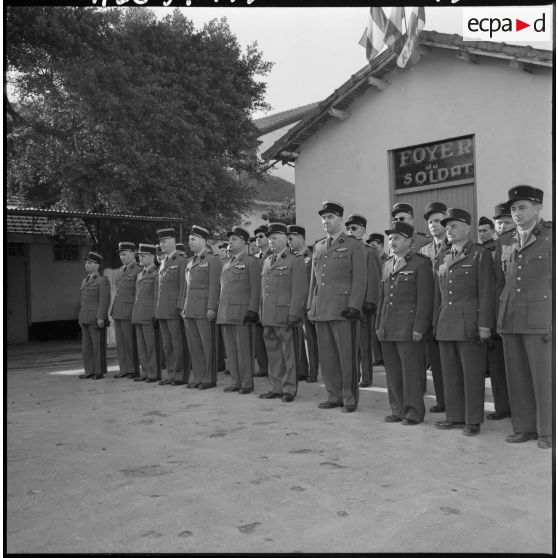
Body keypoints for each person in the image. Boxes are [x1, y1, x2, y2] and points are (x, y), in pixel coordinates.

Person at [495, 186, 552, 449]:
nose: (516, 213)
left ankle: (548, 431)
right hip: (511, 316)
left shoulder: (550, 237)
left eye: (523, 207)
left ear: (538, 208)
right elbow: (500, 282)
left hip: (540, 317)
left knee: (544, 377)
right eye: (513, 208)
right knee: (516, 376)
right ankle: (524, 427)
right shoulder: (505, 240)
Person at [433, 208, 495, 436]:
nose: (449, 229)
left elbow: (487, 292)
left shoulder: (479, 254)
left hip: (470, 325)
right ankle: (455, 416)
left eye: (454, 225)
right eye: (447, 226)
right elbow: (438, 295)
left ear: (468, 228)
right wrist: (435, 323)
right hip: (446, 324)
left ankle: (472, 420)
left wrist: (484, 325)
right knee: (450, 374)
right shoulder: (442, 256)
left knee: (471, 375)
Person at [307, 201, 366, 413]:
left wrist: (354, 306)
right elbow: (314, 280)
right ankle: (333, 395)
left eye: (330, 217)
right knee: (328, 357)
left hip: (343, 310)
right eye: (323, 218)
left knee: (346, 357)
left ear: (340, 219)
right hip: (322, 308)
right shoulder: (319, 246)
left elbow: (360, 279)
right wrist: (310, 306)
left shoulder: (354, 245)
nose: (326, 221)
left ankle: (349, 397)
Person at [376, 222, 433, 425]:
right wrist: (379, 325)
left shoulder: (421, 264)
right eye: (390, 238)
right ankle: (397, 409)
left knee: (411, 373)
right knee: (393, 373)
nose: (392, 242)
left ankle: (413, 412)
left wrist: (419, 327)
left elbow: (425, 299)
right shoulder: (387, 264)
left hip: (409, 328)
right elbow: (382, 299)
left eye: (397, 238)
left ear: (409, 241)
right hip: (389, 326)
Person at [259, 223, 308, 402]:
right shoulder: (266, 261)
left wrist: (294, 313)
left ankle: (289, 389)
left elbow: (300, 289)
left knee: (289, 354)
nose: (271, 241)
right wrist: (260, 313)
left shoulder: (295, 260)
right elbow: (263, 290)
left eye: (275, 237)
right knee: (273, 354)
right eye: (270, 238)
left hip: (285, 314)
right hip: (269, 315)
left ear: (286, 239)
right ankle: (276, 386)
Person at [217, 226, 262, 394]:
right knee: (230, 351)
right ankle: (235, 381)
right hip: (225, 312)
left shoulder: (251, 262)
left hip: (242, 313)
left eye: (234, 239)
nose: (230, 241)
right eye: (229, 239)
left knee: (244, 350)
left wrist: (253, 310)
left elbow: (255, 288)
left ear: (243, 242)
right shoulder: (227, 263)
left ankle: (246, 383)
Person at [182, 225, 222, 390]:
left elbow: (215, 286)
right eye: (189, 239)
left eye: (193, 239)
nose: (189, 242)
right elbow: (187, 287)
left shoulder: (212, 260)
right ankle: (198, 376)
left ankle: (209, 378)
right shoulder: (191, 261)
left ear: (203, 241)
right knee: (195, 345)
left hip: (205, 309)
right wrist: (184, 307)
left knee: (207, 345)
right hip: (190, 308)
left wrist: (211, 307)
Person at [419, 202, 450, 413]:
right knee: (436, 361)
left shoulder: (457, 245)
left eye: (438, 220)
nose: (433, 225)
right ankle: (442, 399)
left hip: (449, 311)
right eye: (430, 222)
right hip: (430, 312)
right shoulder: (423, 251)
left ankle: (456, 399)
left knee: (451, 360)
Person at [345, 214, 381, 388]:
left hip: (363, 305)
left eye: (354, 228)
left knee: (364, 344)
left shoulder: (369, 251)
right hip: (347, 304)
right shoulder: (344, 249)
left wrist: (370, 301)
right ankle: (353, 374)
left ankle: (366, 377)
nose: (350, 231)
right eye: (348, 228)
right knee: (350, 344)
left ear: (363, 231)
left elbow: (374, 277)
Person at [154, 227, 188, 386]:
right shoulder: (163, 262)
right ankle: (171, 374)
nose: (162, 244)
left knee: (177, 343)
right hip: (162, 310)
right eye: (160, 242)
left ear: (173, 241)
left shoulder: (181, 260)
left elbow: (183, 285)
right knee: (167, 345)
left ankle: (180, 375)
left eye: (164, 241)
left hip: (174, 309)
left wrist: (181, 306)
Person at [287, 224, 319, 382]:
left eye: (291, 238)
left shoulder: (311, 256)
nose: (289, 242)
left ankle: (313, 372)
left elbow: (315, 282)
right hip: (294, 305)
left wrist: (311, 304)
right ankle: (301, 369)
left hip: (307, 304)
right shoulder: (291, 257)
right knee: (297, 339)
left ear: (300, 237)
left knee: (310, 341)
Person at [110, 242, 142, 379]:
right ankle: (123, 369)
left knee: (130, 342)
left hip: (129, 310)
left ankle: (133, 369)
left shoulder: (138, 270)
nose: (122, 257)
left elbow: (138, 293)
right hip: (118, 310)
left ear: (133, 254)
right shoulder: (120, 271)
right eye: (120, 255)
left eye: (125, 254)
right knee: (121, 342)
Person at [78, 251, 110, 379]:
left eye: (90, 263)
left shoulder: (102, 281)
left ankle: (98, 371)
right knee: (86, 347)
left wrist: (101, 317)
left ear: (97, 266)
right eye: (86, 263)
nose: (87, 265)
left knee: (97, 346)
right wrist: (80, 316)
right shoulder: (85, 280)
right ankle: (89, 371)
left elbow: (104, 300)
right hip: (85, 317)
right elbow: (83, 301)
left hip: (95, 318)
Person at [131, 243, 160, 383]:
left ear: (152, 256)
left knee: (150, 346)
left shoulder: (156, 273)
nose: (140, 258)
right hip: (138, 314)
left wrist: (155, 314)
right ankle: (144, 372)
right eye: (139, 256)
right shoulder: (140, 274)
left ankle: (153, 373)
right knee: (141, 347)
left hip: (148, 315)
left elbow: (156, 296)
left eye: (143, 256)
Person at [252, 225, 272, 378]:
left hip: (269, 301)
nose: (258, 239)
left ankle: (273, 368)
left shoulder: (273, 255)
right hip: (256, 301)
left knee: (271, 337)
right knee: (258, 337)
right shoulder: (254, 257)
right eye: (256, 237)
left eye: (261, 236)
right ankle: (263, 367)